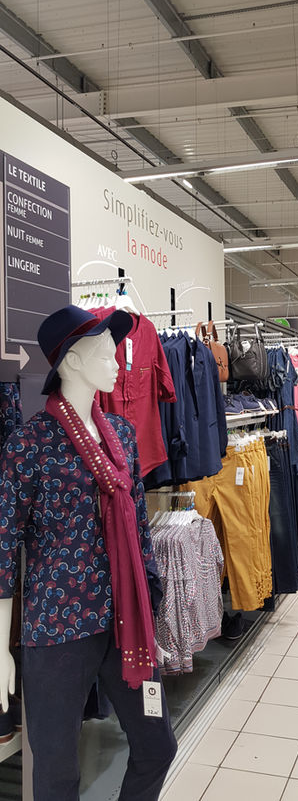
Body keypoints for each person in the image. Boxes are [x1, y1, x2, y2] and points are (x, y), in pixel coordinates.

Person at [0, 305, 177, 801]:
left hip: (125, 625)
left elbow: (139, 532)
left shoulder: (120, 435)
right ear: (71, 362)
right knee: (56, 776)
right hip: (57, 629)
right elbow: (3, 548)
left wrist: (151, 614)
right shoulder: (29, 445)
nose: (118, 360)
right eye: (106, 350)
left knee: (157, 747)